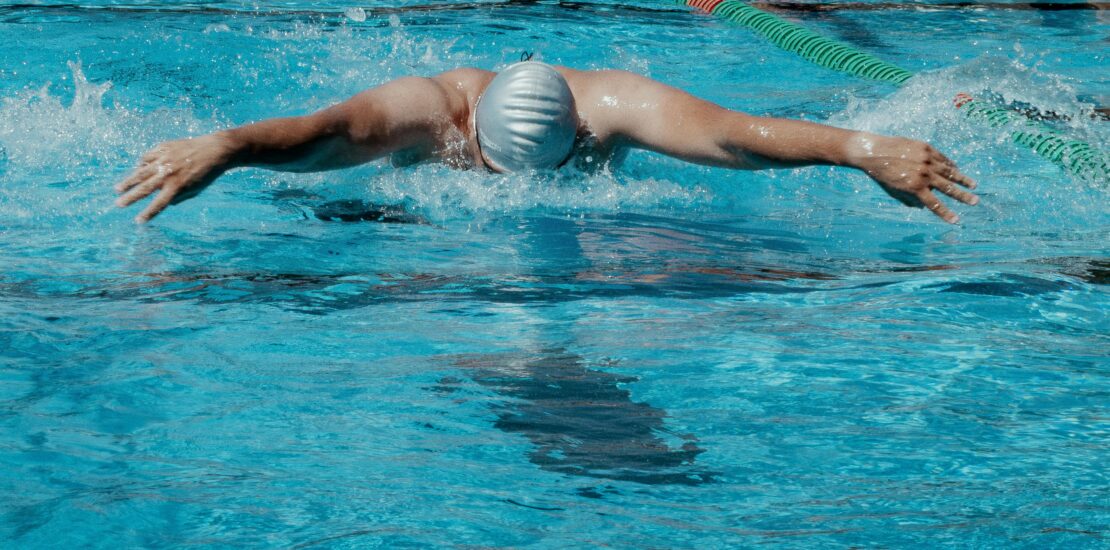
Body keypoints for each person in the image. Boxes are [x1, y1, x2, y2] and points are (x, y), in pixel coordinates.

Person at [114, 61, 978, 224]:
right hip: (400, 215)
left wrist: (863, 149)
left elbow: (735, 139)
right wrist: (225, 145)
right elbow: (328, 134)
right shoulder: (429, 109)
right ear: (475, 143)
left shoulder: (613, 103)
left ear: (578, 135)